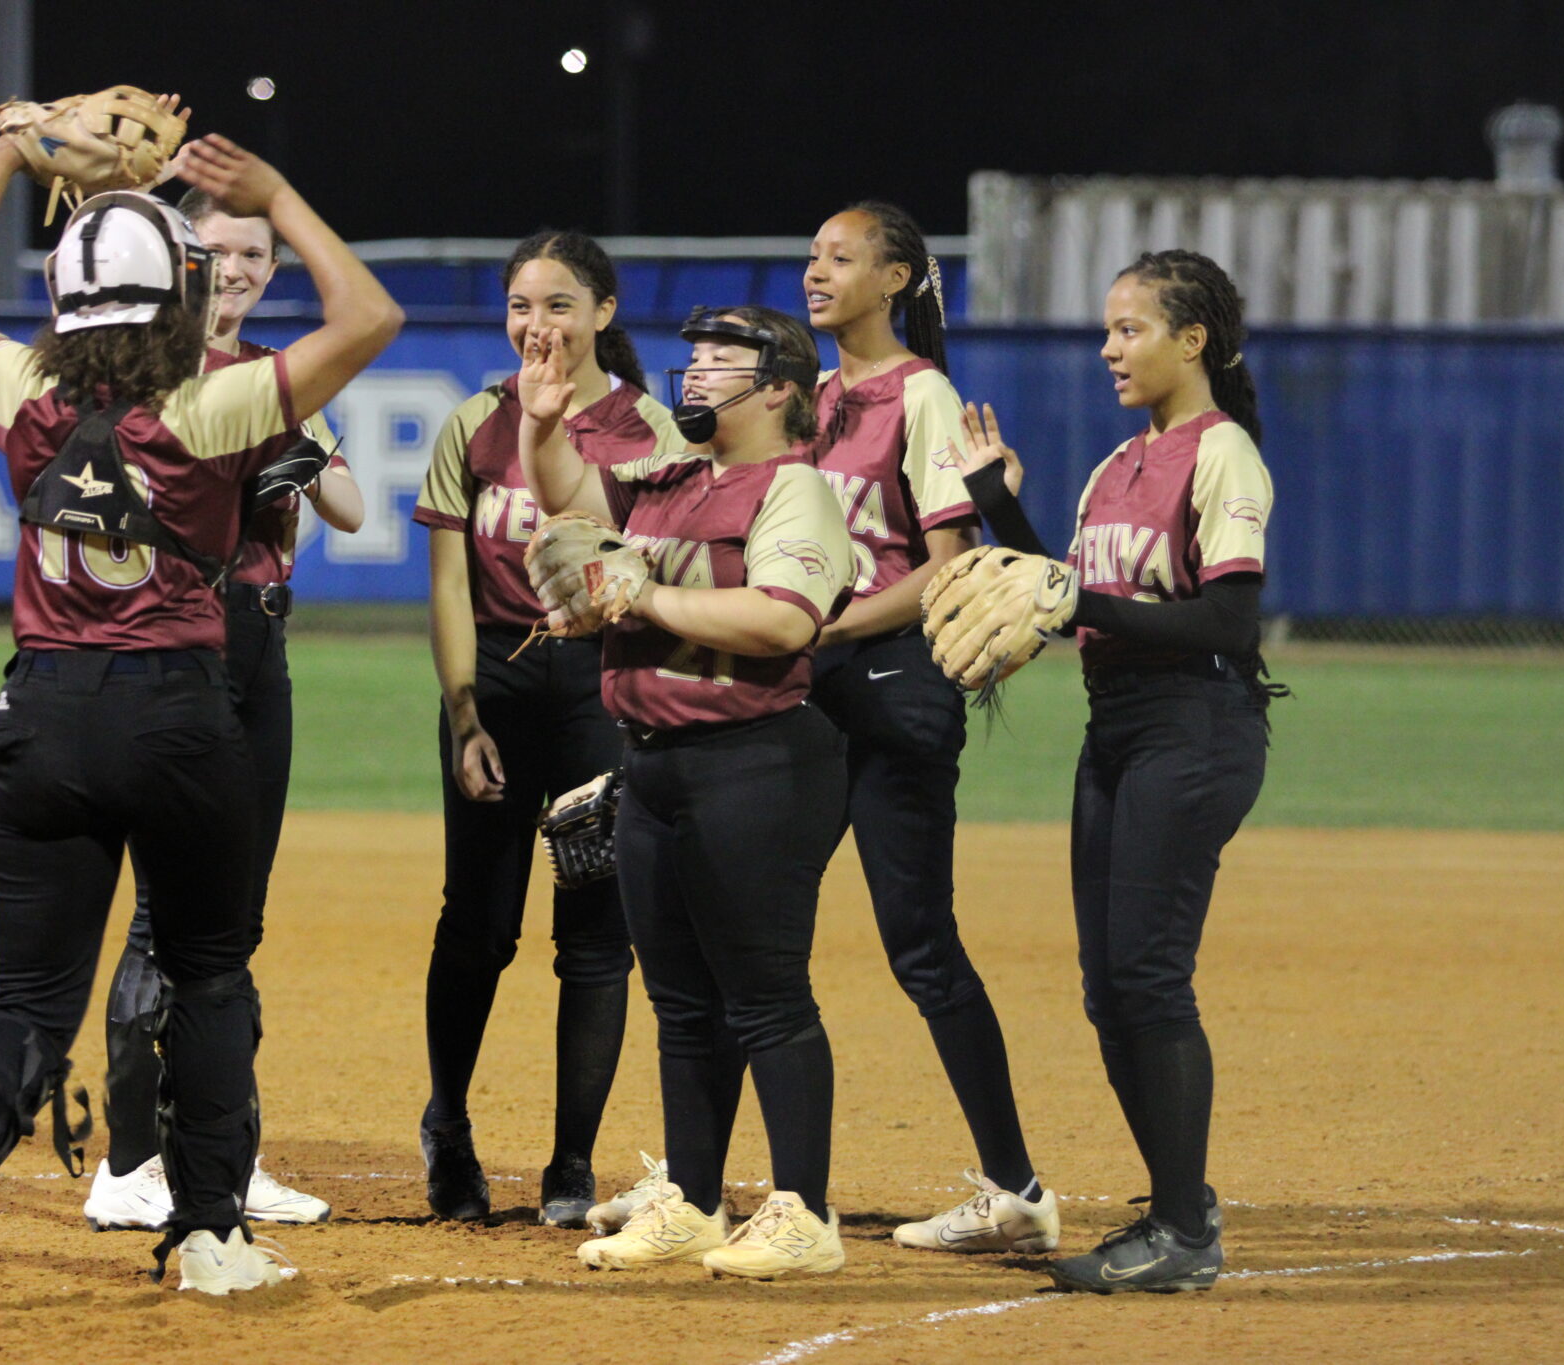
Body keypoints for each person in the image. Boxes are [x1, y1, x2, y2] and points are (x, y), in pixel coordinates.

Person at [0, 126, 402, 1308]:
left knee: (27, 1000)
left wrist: (6, 161)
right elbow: (370, 320)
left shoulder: (25, 390)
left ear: (63, 292)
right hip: (178, 715)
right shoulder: (212, 406)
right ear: (186, 287)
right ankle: (212, 1234)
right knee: (210, 975)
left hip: (42, 714)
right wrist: (279, 194)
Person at [944, 248, 1281, 1293]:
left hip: (1196, 727)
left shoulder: (1220, 455)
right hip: (1118, 730)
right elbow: (1061, 598)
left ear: (1193, 341)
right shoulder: (1111, 465)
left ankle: (1183, 1232)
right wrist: (1000, 513)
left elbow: (1225, 617)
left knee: (1146, 978)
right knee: (1108, 990)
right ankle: (1177, 1205)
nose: (1106, 349)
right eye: (1105, 329)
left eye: (1128, 329)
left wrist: (1074, 600)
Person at [520, 307, 856, 1279]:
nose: (695, 375)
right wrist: (541, 426)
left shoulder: (793, 490)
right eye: (693, 359)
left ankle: (803, 1212)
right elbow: (573, 505)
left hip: (755, 762)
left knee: (765, 997)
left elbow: (783, 618)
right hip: (655, 763)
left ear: (780, 389)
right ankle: (695, 1204)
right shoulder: (668, 481)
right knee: (678, 1001)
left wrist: (644, 599)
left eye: (721, 363)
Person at [83, 183, 366, 1234]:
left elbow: (348, 505)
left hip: (260, 645)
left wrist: (298, 450)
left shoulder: (279, 377)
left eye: (255, 254)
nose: (239, 268)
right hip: (177, 643)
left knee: (230, 925)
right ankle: (126, 1161)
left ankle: (222, 1154)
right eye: (219, 251)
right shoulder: (139, 369)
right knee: (165, 916)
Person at [801, 202, 1058, 1252]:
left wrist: (824, 627)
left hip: (896, 687)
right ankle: (706, 1183)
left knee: (918, 945)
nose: (815, 271)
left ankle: (1015, 1190)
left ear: (895, 277)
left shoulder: (921, 396)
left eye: (840, 257)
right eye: (811, 255)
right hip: (812, 690)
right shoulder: (813, 397)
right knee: (747, 926)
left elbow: (947, 568)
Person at [409, 231, 676, 1227]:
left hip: (601, 694)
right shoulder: (473, 422)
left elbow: (648, 580)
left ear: (604, 311)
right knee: (475, 926)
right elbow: (446, 588)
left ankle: (571, 1164)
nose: (536, 324)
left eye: (558, 303)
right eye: (521, 304)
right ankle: (450, 1129)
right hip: (498, 688)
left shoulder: (651, 430)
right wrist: (462, 713)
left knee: (594, 935)